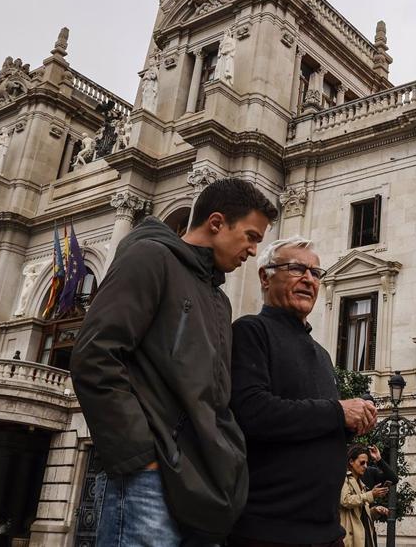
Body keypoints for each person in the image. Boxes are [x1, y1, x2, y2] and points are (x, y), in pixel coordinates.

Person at [72, 178, 278, 546]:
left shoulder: (219, 299)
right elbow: (96, 354)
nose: (253, 250)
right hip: (149, 479)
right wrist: (138, 456)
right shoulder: (149, 258)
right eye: (250, 236)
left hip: (203, 483)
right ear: (216, 223)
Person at [229, 237, 378, 547]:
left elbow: (312, 425)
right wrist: (339, 412)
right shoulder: (250, 331)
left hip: (327, 533)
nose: (309, 279)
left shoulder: (322, 354)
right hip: (268, 531)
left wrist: (352, 424)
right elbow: (252, 412)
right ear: (264, 277)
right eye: (297, 268)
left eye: (315, 272)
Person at [340, 445, 390, 547]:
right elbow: (346, 500)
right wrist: (371, 494)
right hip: (351, 537)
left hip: (365, 536)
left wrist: (375, 511)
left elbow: (361, 514)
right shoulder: (344, 478)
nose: (365, 466)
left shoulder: (361, 484)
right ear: (351, 462)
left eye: (367, 463)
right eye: (362, 462)